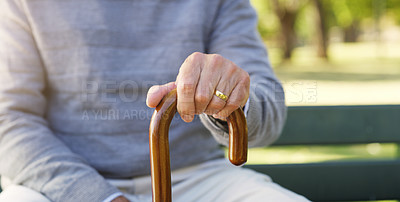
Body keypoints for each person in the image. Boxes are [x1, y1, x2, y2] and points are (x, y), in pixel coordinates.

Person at [0, 0, 308, 201]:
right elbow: (10, 119)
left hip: (198, 176)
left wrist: (230, 98)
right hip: (68, 184)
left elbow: (268, 106)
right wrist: (99, 197)